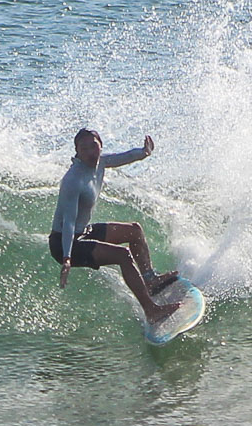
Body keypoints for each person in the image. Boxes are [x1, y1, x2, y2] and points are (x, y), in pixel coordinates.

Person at [51, 128, 181, 326]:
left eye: (94, 145)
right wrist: (67, 258)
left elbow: (124, 157)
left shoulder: (101, 162)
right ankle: (151, 310)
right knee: (123, 255)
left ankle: (150, 280)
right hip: (64, 243)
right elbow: (68, 221)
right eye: (84, 148)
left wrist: (144, 152)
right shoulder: (72, 180)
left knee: (134, 231)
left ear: (101, 146)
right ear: (77, 152)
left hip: (82, 231)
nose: (90, 151)